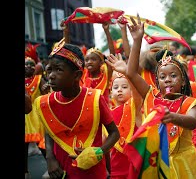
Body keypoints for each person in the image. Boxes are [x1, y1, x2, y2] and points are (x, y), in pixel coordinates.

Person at [124, 14, 196, 178]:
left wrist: (172, 116)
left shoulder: (191, 102)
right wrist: (137, 40)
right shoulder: (151, 96)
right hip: (156, 162)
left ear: (183, 81)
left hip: (184, 165)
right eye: (163, 77)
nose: (168, 80)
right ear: (157, 82)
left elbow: (192, 122)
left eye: (173, 76)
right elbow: (131, 72)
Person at [34, 38, 120, 179]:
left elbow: (114, 134)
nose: (51, 76)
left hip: (93, 172)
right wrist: (50, 158)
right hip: (61, 171)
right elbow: (50, 131)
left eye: (58, 70)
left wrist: (98, 153)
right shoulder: (46, 102)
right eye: (49, 70)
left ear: (77, 75)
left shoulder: (95, 99)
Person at [104, 53, 143, 178]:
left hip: (136, 166)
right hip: (116, 168)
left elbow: (137, 94)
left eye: (124, 87)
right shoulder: (107, 112)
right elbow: (104, 142)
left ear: (131, 90)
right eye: (116, 87)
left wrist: (126, 72)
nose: (119, 89)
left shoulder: (134, 107)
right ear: (111, 92)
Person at [25, 55, 51, 178]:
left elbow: (46, 91)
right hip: (25, 116)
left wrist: (46, 88)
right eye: (26, 64)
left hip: (36, 115)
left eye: (31, 64)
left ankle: (50, 168)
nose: (29, 66)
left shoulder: (39, 79)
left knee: (42, 143)